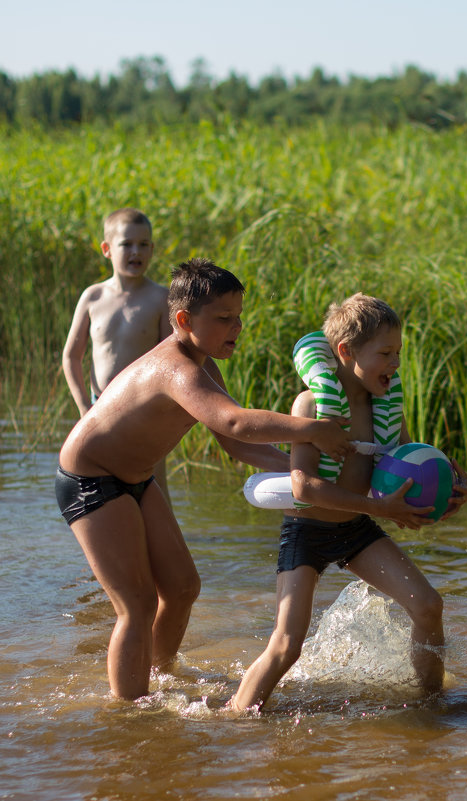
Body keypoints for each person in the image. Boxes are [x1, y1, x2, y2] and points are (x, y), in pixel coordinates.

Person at [55, 257, 356, 700]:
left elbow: (234, 444)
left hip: (136, 480)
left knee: (181, 588)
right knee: (135, 605)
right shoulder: (176, 368)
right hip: (91, 479)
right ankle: (128, 714)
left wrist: (298, 469)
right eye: (223, 319)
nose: (236, 328)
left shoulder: (202, 364)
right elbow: (234, 423)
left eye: (238, 318)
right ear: (183, 319)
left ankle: (159, 676)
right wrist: (313, 430)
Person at [228, 293, 467, 714]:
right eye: (385, 353)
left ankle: (431, 708)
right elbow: (304, 486)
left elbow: (410, 470)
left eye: (398, 352)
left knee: (429, 606)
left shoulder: (387, 411)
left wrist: (456, 490)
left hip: (356, 529)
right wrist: (382, 510)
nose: (395, 363)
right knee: (287, 646)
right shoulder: (311, 405)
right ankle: (233, 717)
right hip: (306, 532)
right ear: (346, 352)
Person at [62, 208, 174, 502]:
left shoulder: (161, 298)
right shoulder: (93, 297)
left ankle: (164, 542)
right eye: (126, 244)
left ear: (152, 249)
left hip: (145, 410)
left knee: (154, 487)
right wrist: (84, 407)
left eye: (144, 244)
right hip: (99, 409)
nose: (136, 251)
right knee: (104, 487)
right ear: (107, 249)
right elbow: (71, 357)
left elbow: (171, 359)